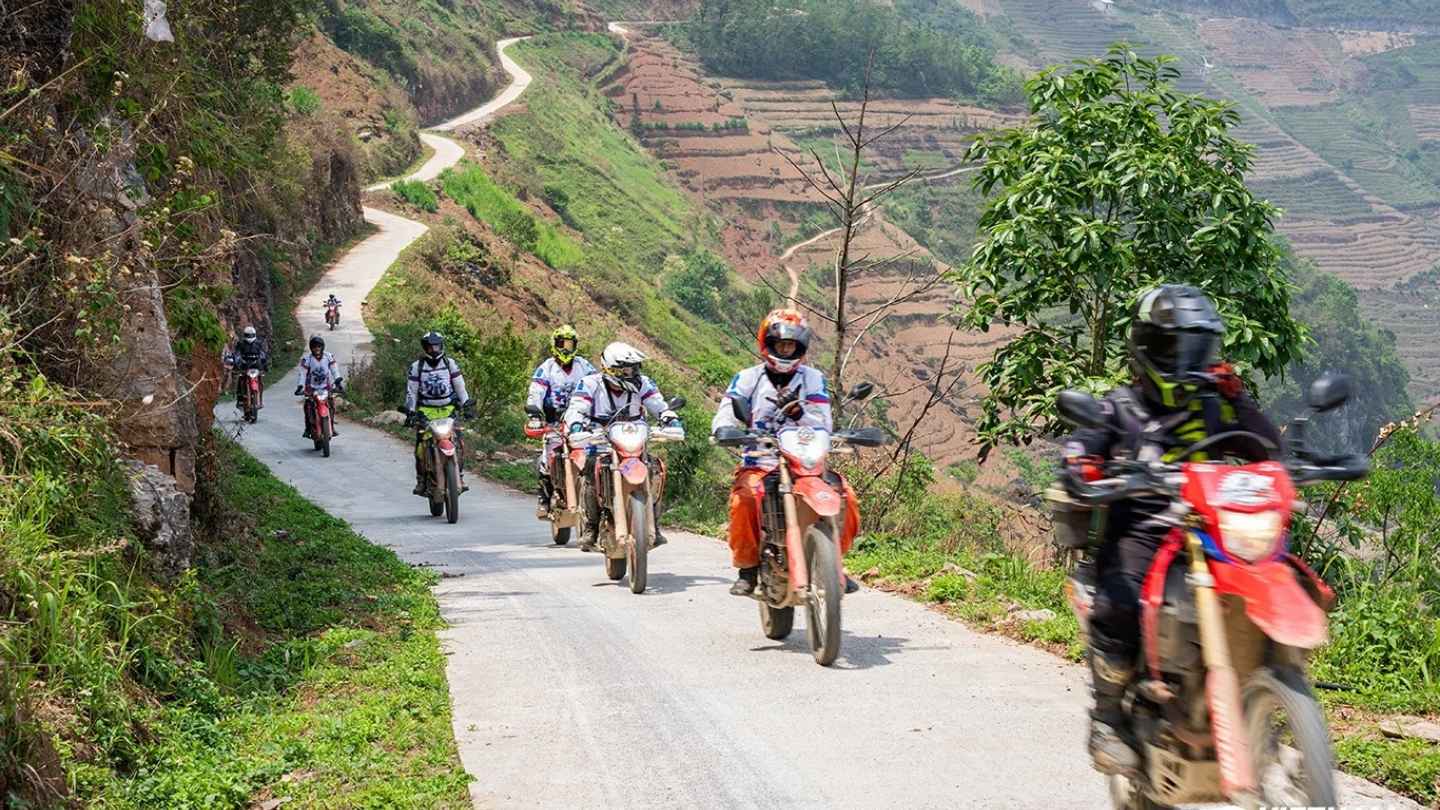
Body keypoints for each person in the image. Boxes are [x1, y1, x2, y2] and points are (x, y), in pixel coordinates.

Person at [1060, 284, 1282, 776]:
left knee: (1286, 579)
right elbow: (1080, 448)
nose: (1186, 361)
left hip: (1214, 532)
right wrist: (1083, 466)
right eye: (1173, 348)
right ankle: (1108, 717)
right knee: (1119, 604)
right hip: (1144, 530)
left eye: (1197, 349)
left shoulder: (1214, 404)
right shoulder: (1119, 407)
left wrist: (1238, 398)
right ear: (1145, 347)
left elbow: (1265, 449)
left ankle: (1275, 692)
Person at [710, 309, 860, 596]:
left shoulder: (813, 379)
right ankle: (748, 568)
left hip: (806, 462)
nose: (786, 350)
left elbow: (823, 420)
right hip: (762, 461)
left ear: (800, 347)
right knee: (744, 500)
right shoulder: (748, 378)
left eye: (792, 345)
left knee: (846, 498)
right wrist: (725, 430)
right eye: (781, 345)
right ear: (768, 344)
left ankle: (833, 563)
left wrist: (799, 410)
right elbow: (728, 409)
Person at [562, 341, 679, 551]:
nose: (632, 372)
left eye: (634, 368)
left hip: (633, 439)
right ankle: (591, 527)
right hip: (600, 440)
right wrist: (577, 425)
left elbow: (657, 404)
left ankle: (654, 524)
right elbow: (576, 408)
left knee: (655, 469)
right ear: (611, 369)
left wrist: (669, 417)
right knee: (590, 470)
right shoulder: (590, 384)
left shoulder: (644, 383)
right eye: (626, 368)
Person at [526, 325, 597, 518]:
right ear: (554, 345)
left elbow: (598, 386)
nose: (566, 348)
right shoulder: (546, 368)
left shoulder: (585, 366)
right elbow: (536, 392)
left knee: (595, 454)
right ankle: (543, 497)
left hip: (581, 421)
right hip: (554, 422)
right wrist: (534, 411)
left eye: (570, 344)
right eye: (562, 344)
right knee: (546, 459)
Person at [401, 331, 474, 496]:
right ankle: (421, 480)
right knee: (420, 447)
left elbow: (460, 387)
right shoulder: (416, 367)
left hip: (448, 410)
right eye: (430, 346)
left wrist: (467, 404)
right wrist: (411, 412)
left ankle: (459, 476)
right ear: (425, 347)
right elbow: (411, 392)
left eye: (436, 346)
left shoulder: (450, 364)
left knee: (459, 443)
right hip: (425, 412)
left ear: (441, 346)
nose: (434, 350)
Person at [294, 335, 342, 438]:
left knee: (332, 404)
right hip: (311, 388)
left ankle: (332, 427)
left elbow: (334, 369)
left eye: (319, 346)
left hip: (326, 387)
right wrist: (300, 386)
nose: (317, 349)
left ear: (322, 347)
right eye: (314, 346)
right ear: (311, 348)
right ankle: (307, 428)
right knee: (307, 406)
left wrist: (338, 380)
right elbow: (302, 373)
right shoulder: (307, 360)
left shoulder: (328, 357)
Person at [229, 325, 269, 405]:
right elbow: (236, 354)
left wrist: (265, 365)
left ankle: (260, 397)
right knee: (240, 379)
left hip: (256, 367)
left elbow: (263, 355)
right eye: (248, 335)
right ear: (244, 335)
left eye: (251, 335)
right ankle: (239, 397)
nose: (250, 337)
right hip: (244, 366)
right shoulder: (241, 344)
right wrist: (235, 362)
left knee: (260, 380)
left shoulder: (258, 344)